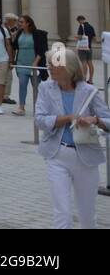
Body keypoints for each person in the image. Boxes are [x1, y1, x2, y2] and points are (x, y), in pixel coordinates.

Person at [34, 53, 110, 228]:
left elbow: (108, 120)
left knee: (87, 215)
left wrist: (95, 120)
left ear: (69, 68)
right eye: (48, 64)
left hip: (86, 158)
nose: (50, 68)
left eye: (54, 64)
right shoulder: (46, 88)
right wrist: (66, 118)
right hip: (57, 155)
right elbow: (39, 120)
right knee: (63, 214)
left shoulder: (89, 91)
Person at [11, 15, 48, 116]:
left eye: (22, 22)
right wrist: (12, 37)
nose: (19, 23)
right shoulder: (19, 33)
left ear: (28, 23)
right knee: (22, 84)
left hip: (34, 64)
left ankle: (39, 108)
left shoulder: (37, 34)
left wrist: (36, 62)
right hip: (21, 63)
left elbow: (42, 49)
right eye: (19, 22)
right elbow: (14, 47)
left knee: (36, 87)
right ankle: (21, 107)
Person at [74, 16, 96, 83]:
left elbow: (80, 37)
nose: (79, 23)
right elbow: (95, 39)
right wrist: (89, 41)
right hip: (89, 47)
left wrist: (76, 37)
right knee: (90, 63)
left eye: (78, 21)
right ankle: (91, 80)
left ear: (80, 20)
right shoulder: (91, 27)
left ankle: (83, 79)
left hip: (82, 48)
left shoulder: (81, 26)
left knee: (84, 63)